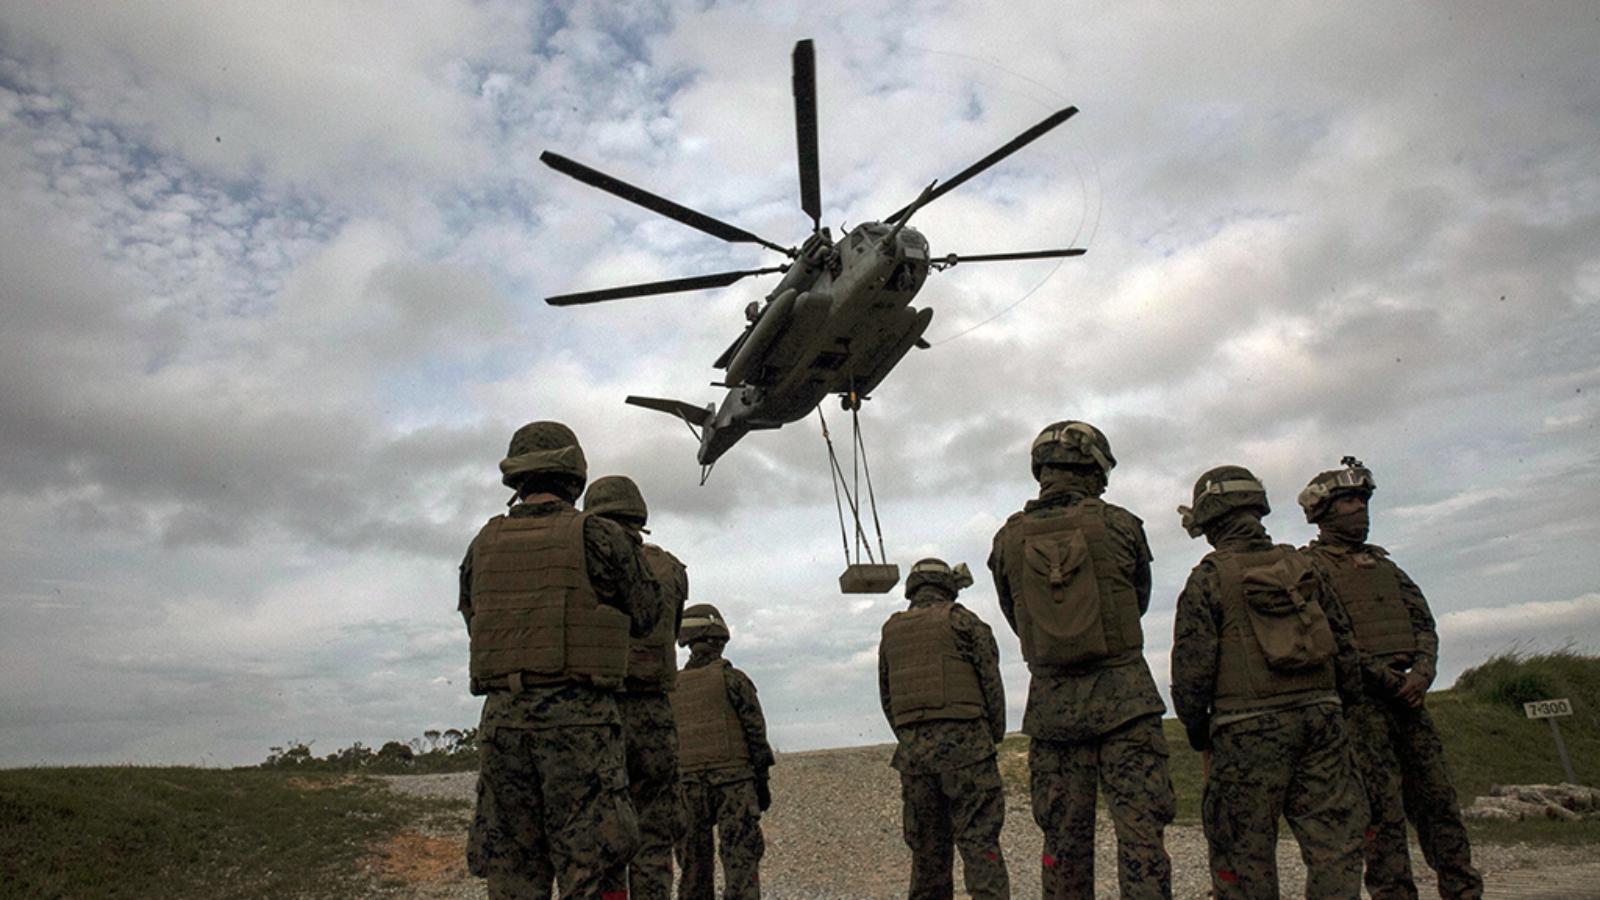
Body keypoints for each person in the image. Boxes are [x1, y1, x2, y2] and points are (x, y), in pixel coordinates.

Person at [459, 421, 661, 900]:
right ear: (574, 476)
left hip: (502, 724)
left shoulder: (480, 545)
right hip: (582, 723)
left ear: (516, 477)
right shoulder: (598, 536)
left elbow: (474, 617)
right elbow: (648, 614)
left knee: (512, 871)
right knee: (590, 865)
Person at [986, 421, 1175, 900]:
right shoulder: (1121, 524)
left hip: (1052, 712)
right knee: (1141, 841)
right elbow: (1139, 600)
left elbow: (1016, 615)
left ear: (1041, 470)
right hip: (1127, 705)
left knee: (1063, 847)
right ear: (1096, 467)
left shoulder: (1007, 540)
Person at [1170, 465, 1368, 900]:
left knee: (1243, 854)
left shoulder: (1208, 578)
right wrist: (1342, 708)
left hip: (1246, 730)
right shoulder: (1301, 564)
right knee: (1335, 846)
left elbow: (1191, 669)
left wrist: (1196, 727)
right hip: (1322, 719)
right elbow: (1345, 644)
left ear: (1210, 521)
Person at [1298, 459, 1484, 900]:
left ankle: (1462, 889)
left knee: (1440, 806)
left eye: (1363, 499)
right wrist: (1387, 680)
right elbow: (1334, 636)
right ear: (1322, 511)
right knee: (1380, 816)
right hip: (1363, 706)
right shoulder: (1312, 568)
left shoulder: (1386, 566)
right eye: (1347, 500)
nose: (1359, 508)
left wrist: (1421, 674)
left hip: (1408, 699)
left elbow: (1424, 624)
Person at [583, 475, 691, 900]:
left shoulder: (585, 558)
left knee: (604, 833)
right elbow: (671, 630)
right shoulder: (672, 568)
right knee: (653, 833)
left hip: (599, 711)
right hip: (654, 713)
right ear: (639, 517)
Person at [878, 558, 1011, 900]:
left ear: (912, 590)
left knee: (927, 859)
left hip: (915, 759)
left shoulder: (892, 630)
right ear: (948, 588)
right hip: (969, 753)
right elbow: (992, 688)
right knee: (981, 848)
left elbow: (888, 697)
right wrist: (990, 737)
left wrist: (912, 737)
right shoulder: (966, 622)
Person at [673, 603, 774, 900]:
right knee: (741, 867)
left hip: (687, 789)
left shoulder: (671, 687)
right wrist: (762, 782)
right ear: (719, 640)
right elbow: (756, 735)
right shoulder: (733, 679)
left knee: (693, 873)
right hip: (734, 785)